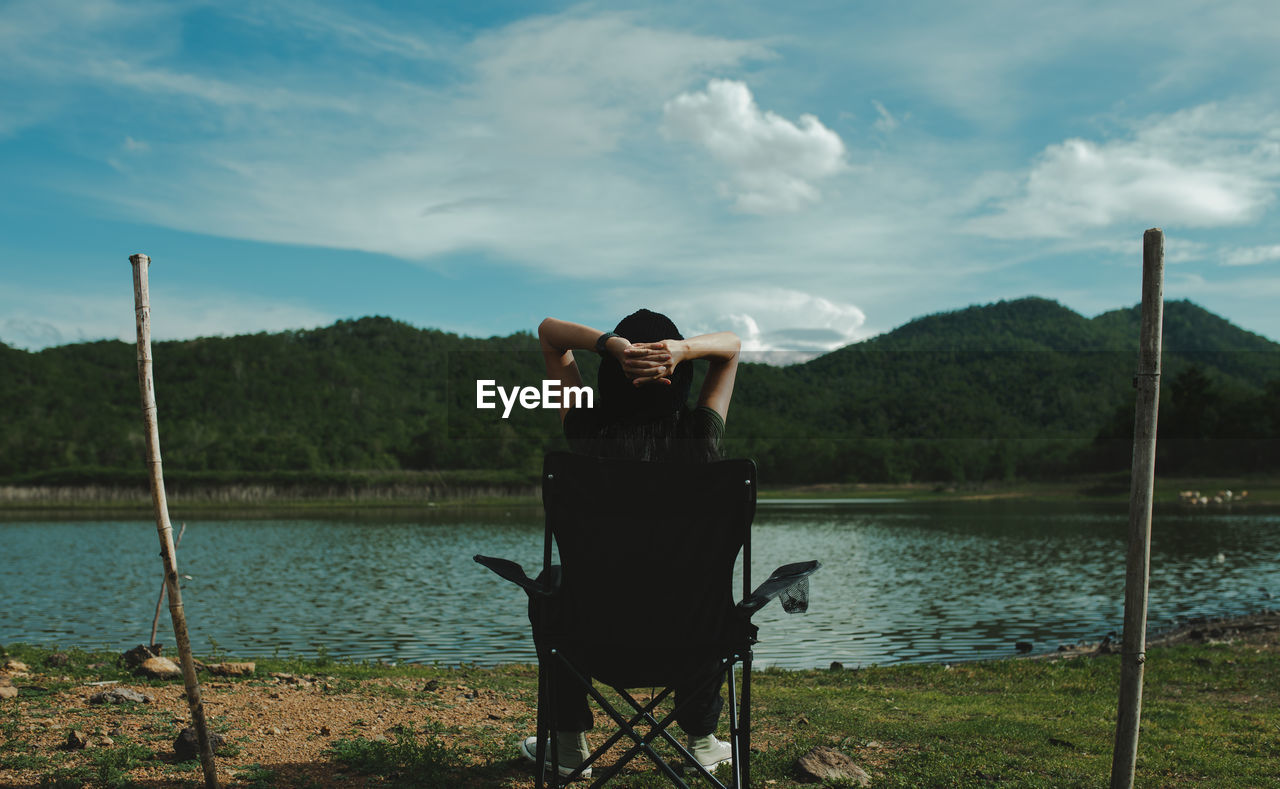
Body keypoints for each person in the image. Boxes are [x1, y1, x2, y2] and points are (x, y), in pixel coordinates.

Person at [519, 309, 742, 779]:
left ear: (607, 380)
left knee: (549, 586)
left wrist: (612, 345)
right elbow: (731, 349)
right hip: (690, 644)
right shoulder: (701, 440)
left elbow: (549, 335)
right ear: (679, 381)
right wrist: (681, 352)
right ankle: (702, 740)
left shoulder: (585, 434)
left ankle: (568, 746)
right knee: (708, 592)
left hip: (594, 642)